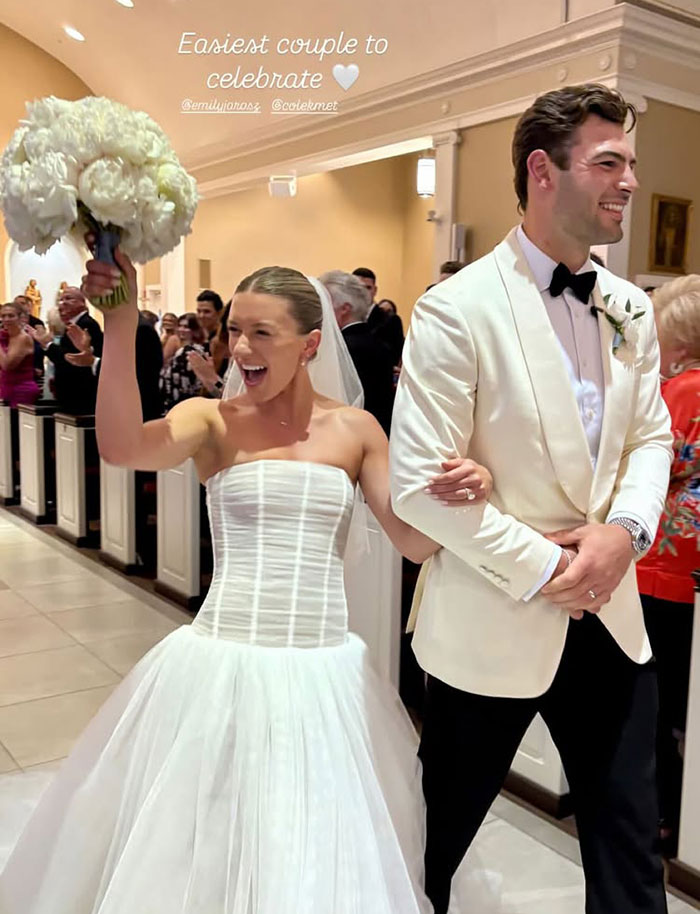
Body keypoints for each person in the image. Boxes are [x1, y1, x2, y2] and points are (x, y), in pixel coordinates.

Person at [0, 250, 498, 914]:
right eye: (236, 330)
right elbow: (121, 447)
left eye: (262, 333)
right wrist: (118, 330)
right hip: (224, 660)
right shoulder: (213, 422)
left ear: (311, 343)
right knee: (206, 841)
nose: (240, 347)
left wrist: (468, 491)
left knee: (317, 849)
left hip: (325, 671)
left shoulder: (357, 430)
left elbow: (413, 540)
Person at [390, 84, 673, 914]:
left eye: (630, 164)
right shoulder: (457, 308)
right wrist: (555, 564)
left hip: (612, 619)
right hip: (492, 618)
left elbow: (649, 439)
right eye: (609, 163)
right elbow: (421, 490)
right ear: (542, 171)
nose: (627, 182)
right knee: (435, 841)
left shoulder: (629, 308)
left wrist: (622, 534)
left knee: (628, 842)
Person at [636, 273, 700, 855]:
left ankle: (658, 812)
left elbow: (661, 466)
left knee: (656, 696)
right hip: (692, 565)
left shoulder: (681, 389)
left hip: (665, 561)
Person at [321, 270, 395, 436]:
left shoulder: (343, 348)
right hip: (379, 431)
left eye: (325, 304)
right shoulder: (378, 344)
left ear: (345, 309)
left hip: (349, 434)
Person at [27, 286, 103, 415]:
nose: (63, 303)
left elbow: (72, 358)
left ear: (82, 303)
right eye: (61, 300)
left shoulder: (85, 324)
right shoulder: (73, 325)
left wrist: (48, 344)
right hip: (70, 391)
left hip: (80, 391)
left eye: (68, 298)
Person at [352, 267, 404, 365]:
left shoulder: (390, 320)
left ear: (375, 290)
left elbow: (393, 357)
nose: (363, 292)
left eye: (368, 288)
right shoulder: (343, 318)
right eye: (358, 288)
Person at [159, 313, 207, 412]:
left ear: (194, 329)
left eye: (186, 327)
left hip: (188, 393)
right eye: (180, 326)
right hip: (174, 390)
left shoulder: (196, 348)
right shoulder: (175, 341)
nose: (182, 329)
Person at [0, 301, 40, 407]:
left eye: (11, 316)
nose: (6, 319)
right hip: (5, 386)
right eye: (3, 316)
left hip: (21, 389)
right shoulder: (5, 336)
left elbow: (7, 365)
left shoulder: (23, 338)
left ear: (19, 317)